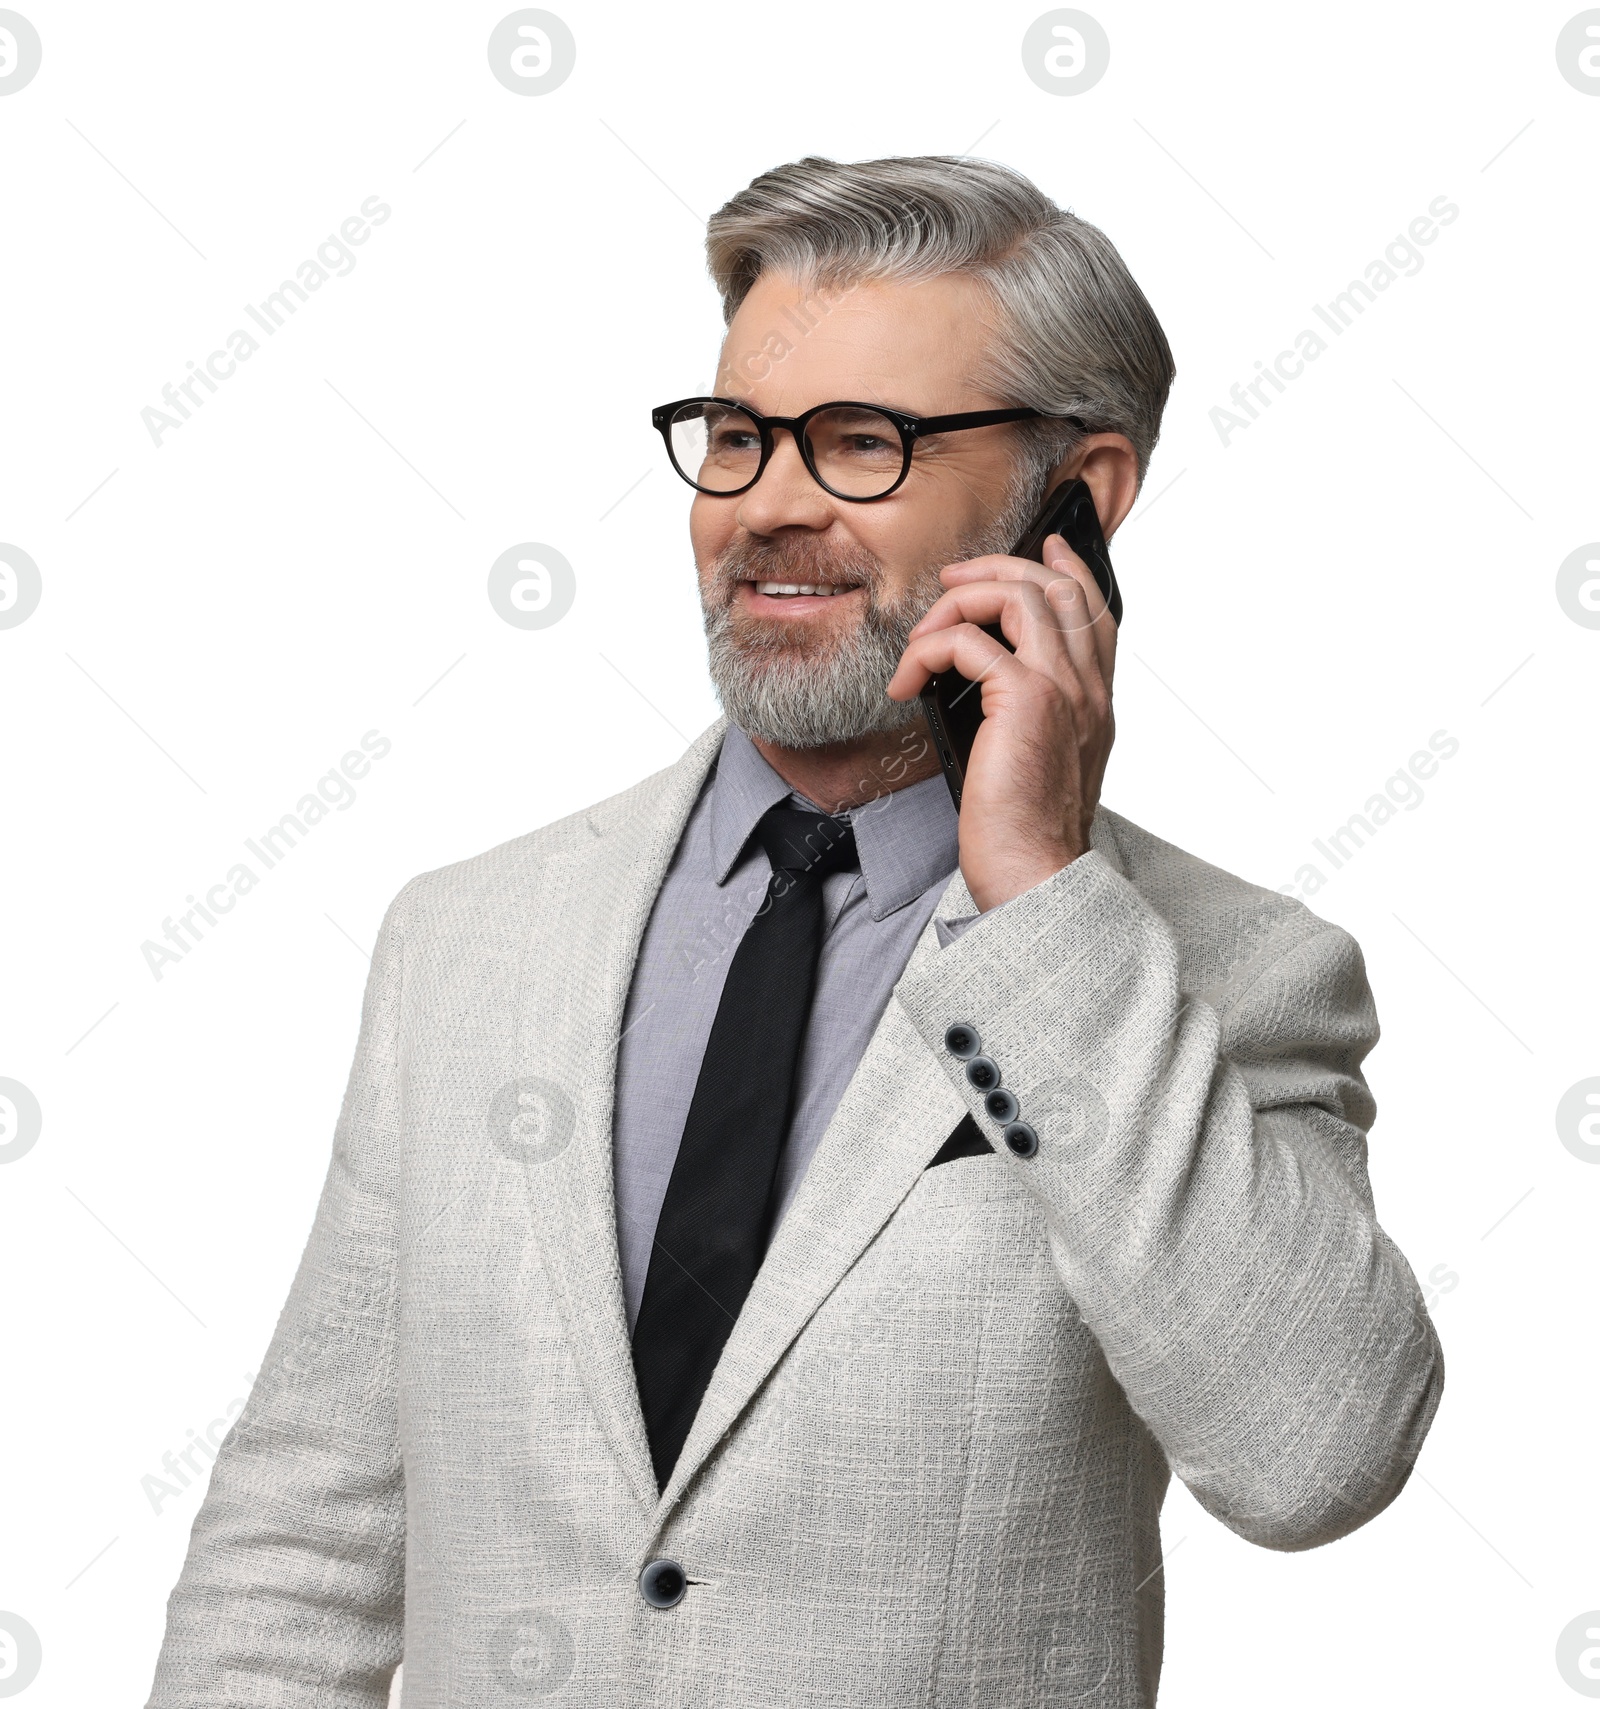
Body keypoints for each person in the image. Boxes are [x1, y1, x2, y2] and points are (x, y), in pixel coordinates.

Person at [146, 154, 1443, 1709]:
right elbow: (300, 1548)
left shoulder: (1228, 976)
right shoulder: (466, 943)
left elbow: (1316, 1453)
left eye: (861, 444)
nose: (766, 505)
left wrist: (1035, 888)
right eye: (741, 438)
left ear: (1076, 502)